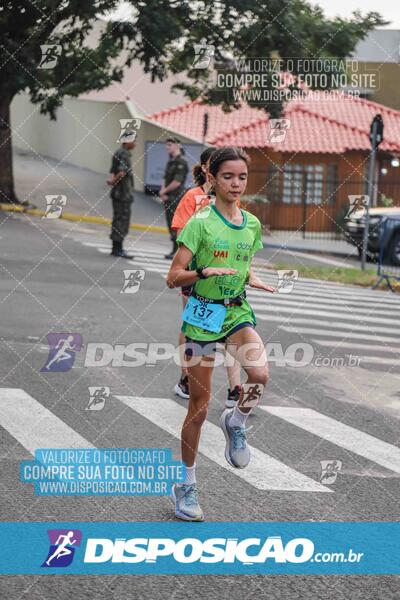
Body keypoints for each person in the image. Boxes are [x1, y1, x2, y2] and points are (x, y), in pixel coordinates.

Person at [167, 146, 276, 521]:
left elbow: (242, 264)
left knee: (259, 375)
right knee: (198, 409)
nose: (236, 183)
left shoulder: (251, 223)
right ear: (212, 179)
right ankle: (186, 485)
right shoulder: (200, 222)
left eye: (242, 177)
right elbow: (173, 277)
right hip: (202, 316)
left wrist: (252, 278)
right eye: (228, 176)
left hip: (236, 313)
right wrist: (203, 273)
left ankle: (236, 421)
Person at [171, 146, 242, 408]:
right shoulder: (192, 197)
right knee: (193, 328)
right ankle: (187, 378)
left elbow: (240, 231)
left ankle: (235, 389)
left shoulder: (231, 200)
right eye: (219, 168)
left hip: (227, 279)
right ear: (207, 170)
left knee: (231, 331)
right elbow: (181, 233)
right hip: (198, 278)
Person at [107, 130, 136, 258]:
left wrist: (113, 180)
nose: (135, 144)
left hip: (118, 194)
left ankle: (116, 248)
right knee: (122, 220)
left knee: (117, 219)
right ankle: (118, 248)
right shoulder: (124, 154)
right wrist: (113, 181)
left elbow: (114, 171)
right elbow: (121, 172)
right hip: (123, 194)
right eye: (133, 141)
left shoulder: (118, 153)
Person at [159, 137, 189, 260]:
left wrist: (164, 191)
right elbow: (165, 178)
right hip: (168, 196)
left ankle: (177, 252)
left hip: (176, 197)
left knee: (176, 225)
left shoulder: (181, 162)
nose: (167, 147)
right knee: (170, 224)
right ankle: (174, 250)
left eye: (170, 145)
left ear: (178, 145)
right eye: (166, 145)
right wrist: (162, 191)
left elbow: (177, 182)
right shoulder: (170, 161)